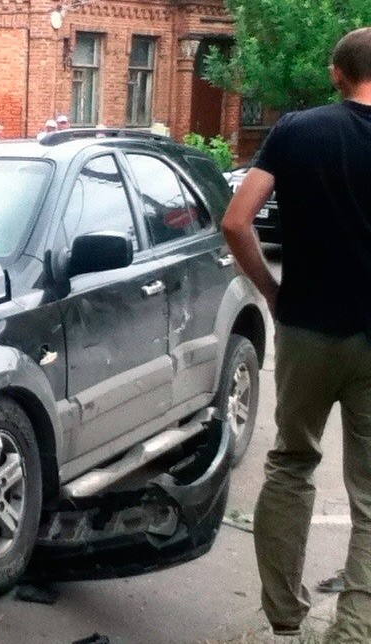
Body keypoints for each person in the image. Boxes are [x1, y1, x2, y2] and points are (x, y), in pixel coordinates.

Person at [221, 27, 371, 643]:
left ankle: (286, 616)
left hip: (306, 327)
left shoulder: (296, 131)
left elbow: (236, 221)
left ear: (336, 72)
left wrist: (273, 292)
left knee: (289, 465)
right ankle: (356, 629)